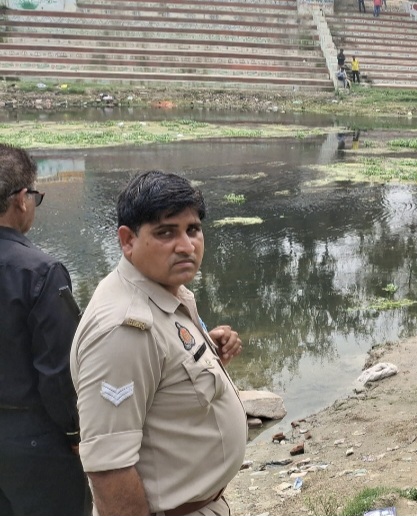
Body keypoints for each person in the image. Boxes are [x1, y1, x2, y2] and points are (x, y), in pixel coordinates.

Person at [71, 171, 247, 516]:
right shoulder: (124, 329)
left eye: (192, 229)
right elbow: (110, 472)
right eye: (166, 232)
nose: (186, 246)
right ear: (128, 240)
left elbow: (163, 373)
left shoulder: (162, 289)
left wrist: (207, 354)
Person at [0, 143, 90, 516]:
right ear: (21, 200)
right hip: (33, 440)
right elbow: (59, 370)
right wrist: (75, 432)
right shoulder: (39, 272)